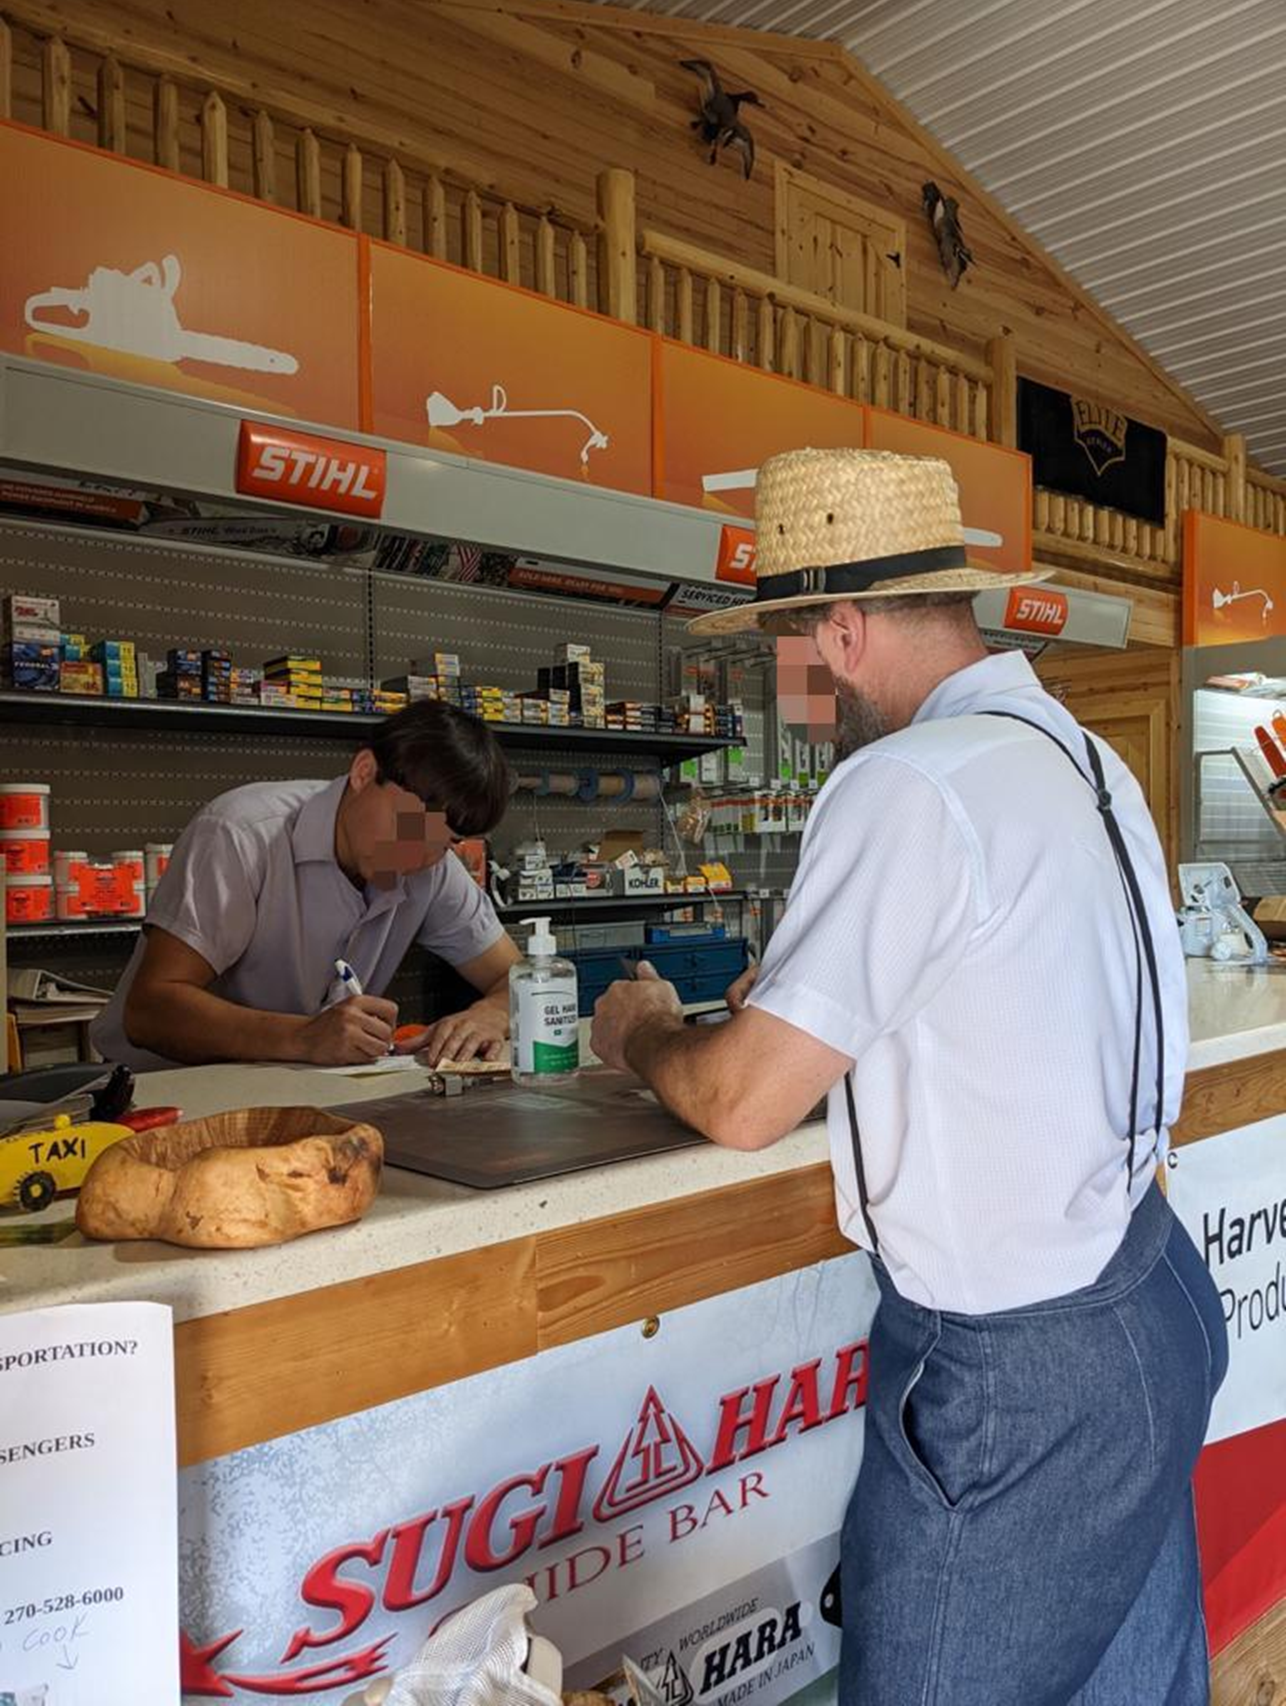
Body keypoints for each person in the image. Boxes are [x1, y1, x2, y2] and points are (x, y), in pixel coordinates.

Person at [591, 447, 1227, 1706]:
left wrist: (643, 1035)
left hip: (1017, 1378)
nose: (802, 679)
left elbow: (740, 1102)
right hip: (1150, 1295)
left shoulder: (903, 783)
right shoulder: (1085, 761)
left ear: (836, 628)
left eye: (794, 647)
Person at [92, 700, 520, 1071]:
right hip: (165, 1092)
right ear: (364, 771)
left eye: (442, 843)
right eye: (410, 827)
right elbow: (150, 1010)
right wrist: (303, 1038)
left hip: (295, 1089)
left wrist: (491, 1013)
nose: (417, 857)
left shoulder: (431, 868)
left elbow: (519, 977)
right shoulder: (241, 834)